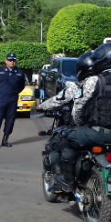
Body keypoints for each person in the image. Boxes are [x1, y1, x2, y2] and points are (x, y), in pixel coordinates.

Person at [39, 43, 111, 191]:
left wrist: (80, 122)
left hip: (95, 133)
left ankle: (67, 181)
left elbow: (79, 105)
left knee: (68, 139)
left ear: (103, 60)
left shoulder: (94, 81)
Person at [36, 52, 92, 190]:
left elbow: (58, 100)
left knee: (55, 145)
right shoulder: (103, 84)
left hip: (81, 130)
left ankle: (64, 181)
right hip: (106, 131)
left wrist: (41, 107)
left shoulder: (77, 87)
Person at [0, 53, 26, 149]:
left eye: (13, 60)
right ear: (6, 61)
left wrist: (15, 92)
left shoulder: (19, 72)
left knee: (10, 120)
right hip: (1, 100)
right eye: (10, 60)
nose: (12, 62)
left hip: (12, 100)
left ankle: (5, 140)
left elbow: (22, 85)